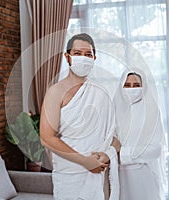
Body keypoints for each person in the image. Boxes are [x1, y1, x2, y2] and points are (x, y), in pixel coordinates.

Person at [39, 33, 119, 200]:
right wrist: (85, 162)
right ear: (67, 57)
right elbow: (46, 138)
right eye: (77, 53)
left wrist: (107, 156)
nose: (83, 58)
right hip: (69, 172)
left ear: (94, 58)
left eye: (88, 54)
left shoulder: (102, 93)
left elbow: (115, 137)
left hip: (97, 171)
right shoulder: (55, 92)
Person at [113, 70, 167, 200]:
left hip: (143, 175)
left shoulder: (151, 112)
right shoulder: (114, 110)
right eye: (127, 85)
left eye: (136, 85)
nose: (131, 89)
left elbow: (155, 149)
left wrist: (123, 152)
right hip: (117, 176)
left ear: (144, 87)